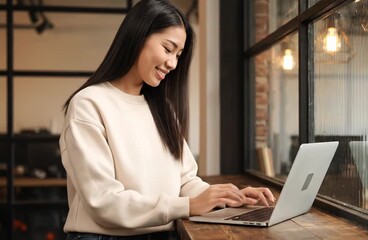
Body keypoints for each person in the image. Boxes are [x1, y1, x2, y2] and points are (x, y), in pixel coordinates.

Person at [60, 0, 275, 239]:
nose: (173, 63)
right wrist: (188, 206)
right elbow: (103, 202)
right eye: (167, 48)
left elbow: (184, 181)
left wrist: (228, 197)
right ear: (138, 37)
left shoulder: (163, 109)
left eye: (178, 55)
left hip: (164, 233)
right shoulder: (89, 104)